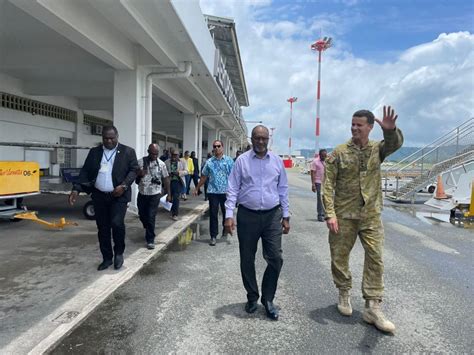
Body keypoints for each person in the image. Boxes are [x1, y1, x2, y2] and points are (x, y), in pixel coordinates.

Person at [323, 106, 403, 333]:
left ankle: (373, 306)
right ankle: (344, 292)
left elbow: (394, 144)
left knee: (376, 257)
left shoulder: (378, 149)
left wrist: (391, 130)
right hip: (344, 215)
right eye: (353, 124)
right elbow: (327, 185)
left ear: (369, 127)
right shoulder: (339, 152)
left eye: (359, 125)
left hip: (370, 216)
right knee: (339, 257)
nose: (355, 128)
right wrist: (330, 213)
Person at [224, 125, 290, 320]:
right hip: (247, 216)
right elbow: (233, 188)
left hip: (272, 216)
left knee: (276, 258)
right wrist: (229, 215)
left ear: (268, 139)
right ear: (251, 139)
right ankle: (252, 297)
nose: (261, 142)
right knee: (247, 258)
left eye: (264, 138)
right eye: (257, 138)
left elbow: (283, 189)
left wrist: (286, 216)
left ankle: (268, 299)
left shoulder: (277, 162)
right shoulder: (241, 161)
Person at [68, 126, 138, 271]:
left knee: (117, 223)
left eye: (112, 138)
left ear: (117, 136)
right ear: (102, 138)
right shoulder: (95, 152)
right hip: (99, 195)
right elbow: (85, 171)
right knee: (103, 228)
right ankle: (107, 258)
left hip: (118, 196)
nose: (109, 141)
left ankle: (119, 253)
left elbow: (133, 170)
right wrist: (76, 189)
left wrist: (124, 186)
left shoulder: (128, 151)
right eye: (106, 138)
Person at [193, 140, 234, 246]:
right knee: (213, 214)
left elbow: (234, 177)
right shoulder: (209, 162)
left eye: (218, 146)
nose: (216, 148)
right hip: (213, 192)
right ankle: (213, 236)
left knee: (226, 213)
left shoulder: (229, 161)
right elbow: (204, 176)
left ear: (222, 147)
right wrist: (197, 187)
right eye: (214, 146)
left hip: (226, 192)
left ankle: (225, 229)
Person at [136, 144, 171, 250]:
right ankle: (147, 226)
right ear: (148, 151)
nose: (155, 156)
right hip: (142, 193)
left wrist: (169, 194)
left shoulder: (161, 164)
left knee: (151, 216)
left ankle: (150, 240)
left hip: (155, 194)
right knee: (142, 215)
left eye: (156, 154)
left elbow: (166, 179)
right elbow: (136, 180)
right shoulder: (140, 162)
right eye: (152, 153)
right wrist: (140, 174)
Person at [165, 149, 187, 221]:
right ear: (170, 155)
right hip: (169, 181)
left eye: (176, 155)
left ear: (178, 155)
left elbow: (187, 171)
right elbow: (163, 172)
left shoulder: (182, 162)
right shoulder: (166, 162)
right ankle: (171, 209)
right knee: (169, 196)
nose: (174, 156)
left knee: (176, 197)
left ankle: (175, 214)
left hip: (178, 181)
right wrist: (168, 173)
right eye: (173, 155)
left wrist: (179, 173)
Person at [310, 149, 327, 222]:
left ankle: (325, 214)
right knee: (320, 199)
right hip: (318, 182)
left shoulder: (326, 161)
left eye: (325, 155)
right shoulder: (315, 162)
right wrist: (313, 184)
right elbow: (312, 173)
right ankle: (320, 215)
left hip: (325, 182)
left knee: (326, 199)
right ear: (320, 155)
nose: (324, 157)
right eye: (323, 156)